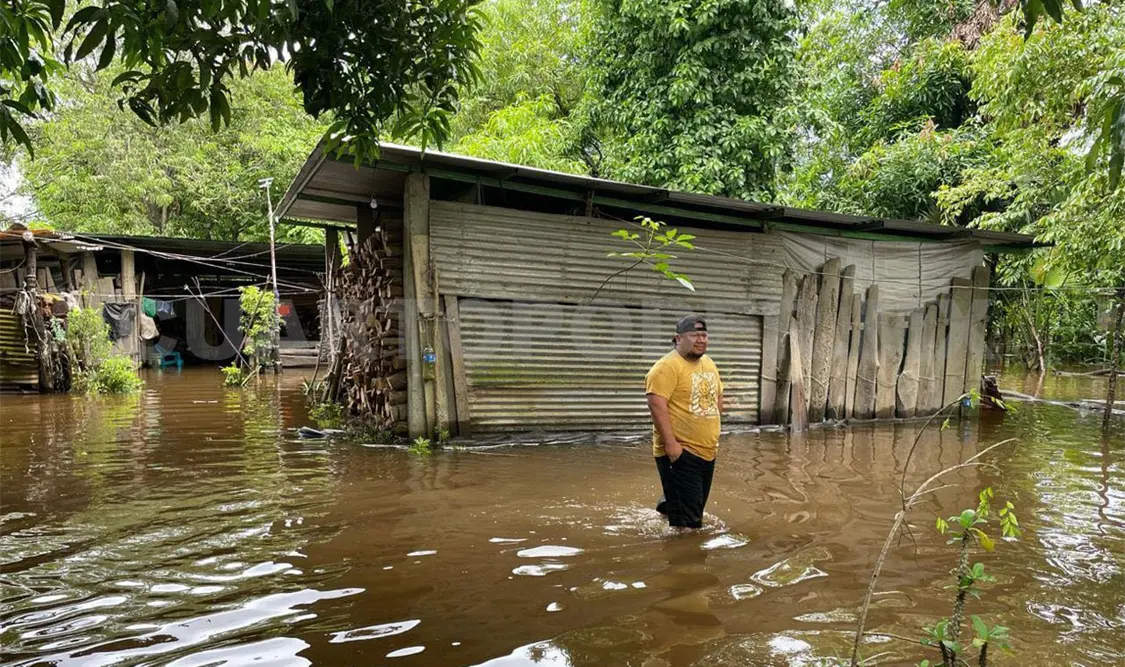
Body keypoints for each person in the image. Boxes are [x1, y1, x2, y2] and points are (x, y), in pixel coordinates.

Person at [645, 314, 723, 529]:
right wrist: (671, 445)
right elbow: (656, 404)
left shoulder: (708, 363)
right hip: (681, 451)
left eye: (704, 335)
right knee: (689, 525)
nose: (701, 340)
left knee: (694, 506)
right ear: (678, 338)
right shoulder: (666, 367)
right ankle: (684, 557)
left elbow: (717, 396)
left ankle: (668, 507)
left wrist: (715, 430)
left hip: (707, 450)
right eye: (694, 335)